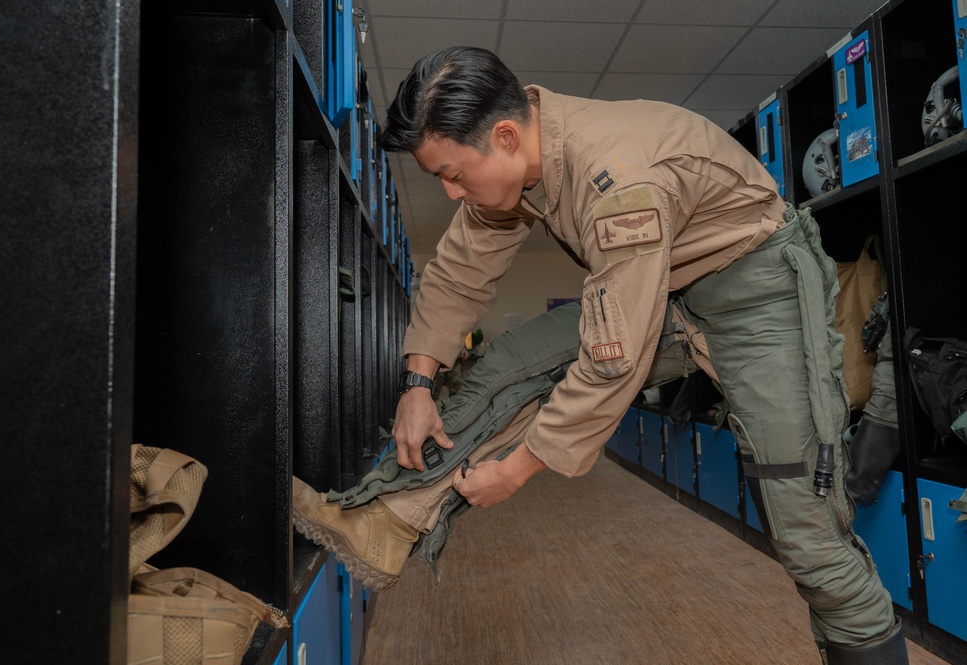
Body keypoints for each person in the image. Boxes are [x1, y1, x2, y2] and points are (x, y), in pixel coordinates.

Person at [295, 46, 908, 663]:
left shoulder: (617, 177)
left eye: (453, 174)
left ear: (505, 136)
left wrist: (519, 468)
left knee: (809, 537)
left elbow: (611, 362)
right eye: (441, 180)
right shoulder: (518, 167)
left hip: (759, 297)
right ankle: (388, 522)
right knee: (507, 368)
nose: (452, 192)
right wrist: (418, 385)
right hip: (668, 290)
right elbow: (457, 275)